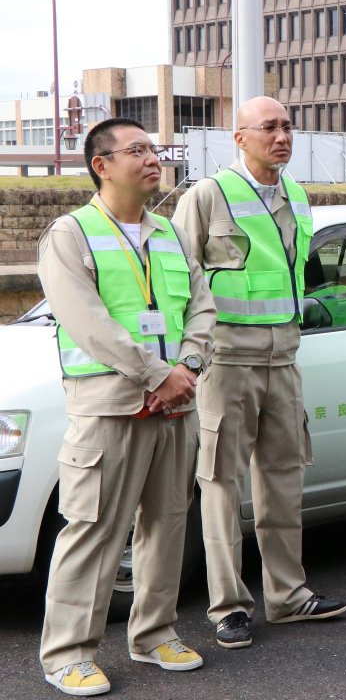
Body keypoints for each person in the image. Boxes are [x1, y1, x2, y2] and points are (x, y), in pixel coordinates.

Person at [37, 118, 215, 695]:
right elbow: (88, 322)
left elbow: (201, 306)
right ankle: (68, 653)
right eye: (136, 150)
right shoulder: (72, 234)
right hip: (111, 408)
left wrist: (189, 366)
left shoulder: (168, 232)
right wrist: (158, 374)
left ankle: (154, 632)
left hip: (175, 405)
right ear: (102, 164)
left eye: (153, 149)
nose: (151, 158)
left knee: (167, 525)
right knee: (92, 529)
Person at [174, 97, 346, 650]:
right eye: (269, 127)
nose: (282, 136)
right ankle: (228, 607)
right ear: (239, 137)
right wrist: (192, 356)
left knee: (283, 479)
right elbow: (182, 280)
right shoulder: (206, 195)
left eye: (287, 126)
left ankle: (288, 595)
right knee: (221, 486)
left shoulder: (296, 194)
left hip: (284, 359)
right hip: (226, 360)